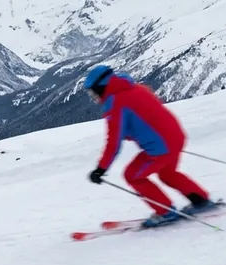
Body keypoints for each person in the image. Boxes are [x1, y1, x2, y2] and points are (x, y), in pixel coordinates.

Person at [83, 64, 215, 227]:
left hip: (160, 147)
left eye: (92, 92)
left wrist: (101, 169)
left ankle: (165, 212)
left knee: (133, 175)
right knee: (167, 173)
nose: (93, 97)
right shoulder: (137, 88)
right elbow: (148, 113)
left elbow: (114, 142)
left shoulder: (115, 104)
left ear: (101, 86)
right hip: (176, 137)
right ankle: (200, 200)